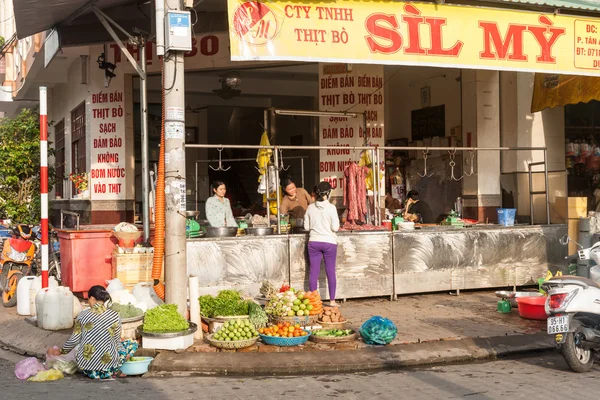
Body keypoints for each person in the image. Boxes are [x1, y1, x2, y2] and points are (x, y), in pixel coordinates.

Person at [47, 286, 138, 380]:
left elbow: (74, 340)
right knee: (132, 344)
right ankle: (117, 368)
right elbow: (116, 340)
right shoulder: (115, 315)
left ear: (92, 298)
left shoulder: (82, 315)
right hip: (109, 369)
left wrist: (61, 351)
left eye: (88, 300)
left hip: (87, 369)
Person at [304, 181, 340, 306]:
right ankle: (332, 301)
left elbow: (307, 227)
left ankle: (314, 302)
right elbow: (335, 227)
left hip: (314, 242)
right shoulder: (331, 208)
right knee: (330, 271)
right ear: (328, 193)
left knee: (314, 271)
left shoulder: (310, 207)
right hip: (329, 243)